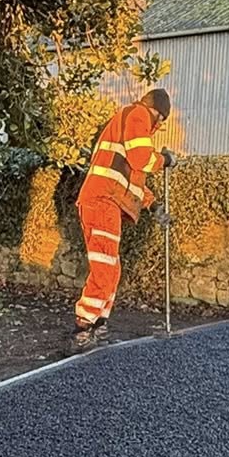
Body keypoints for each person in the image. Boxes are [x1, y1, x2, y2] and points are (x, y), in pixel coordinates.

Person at [73, 88, 173, 342]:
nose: (158, 127)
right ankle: (84, 326)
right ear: (157, 114)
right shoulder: (138, 115)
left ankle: (99, 322)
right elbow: (142, 160)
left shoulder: (126, 126)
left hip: (104, 200)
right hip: (103, 201)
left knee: (112, 268)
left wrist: (153, 206)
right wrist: (164, 160)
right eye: (161, 121)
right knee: (105, 266)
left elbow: (132, 179)